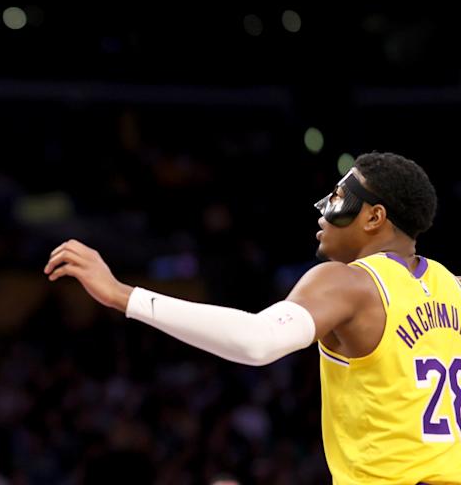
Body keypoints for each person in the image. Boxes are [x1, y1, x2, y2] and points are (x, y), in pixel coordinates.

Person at [45, 152, 461, 483]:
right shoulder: (454, 288)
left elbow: (257, 340)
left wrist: (123, 295)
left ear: (374, 217)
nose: (322, 212)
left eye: (339, 198)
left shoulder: (348, 283)